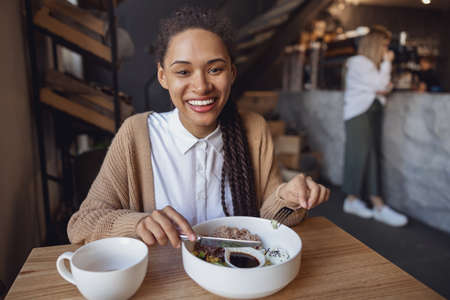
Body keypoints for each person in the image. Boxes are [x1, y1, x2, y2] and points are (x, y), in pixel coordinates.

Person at [67, 6, 330, 248]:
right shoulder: (137, 133)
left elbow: (270, 219)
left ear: (232, 73)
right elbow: (82, 223)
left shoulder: (254, 129)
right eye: (183, 72)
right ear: (163, 76)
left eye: (215, 69)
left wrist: (288, 196)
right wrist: (138, 223)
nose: (202, 86)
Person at [342, 25, 408, 227]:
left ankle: (363, 201)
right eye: (385, 45)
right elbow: (381, 87)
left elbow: (383, 88)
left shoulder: (368, 65)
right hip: (359, 114)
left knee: (370, 155)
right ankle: (366, 202)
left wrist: (382, 86)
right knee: (361, 155)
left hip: (369, 113)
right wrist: (387, 65)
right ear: (374, 44)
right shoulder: (359, 62)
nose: (387, 50)